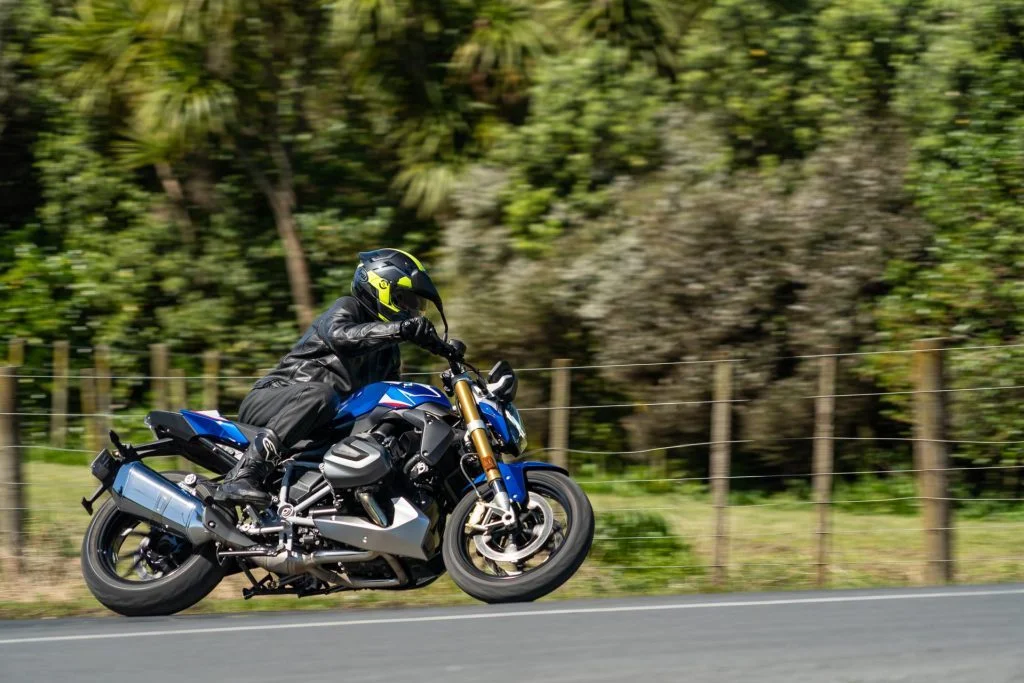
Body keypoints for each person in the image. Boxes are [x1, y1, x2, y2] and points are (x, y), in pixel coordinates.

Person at [215, 248, 448, 505]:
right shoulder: (349, 307)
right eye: (406, 300)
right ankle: (244, 474)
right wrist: (400, 328)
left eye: (416, 305)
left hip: (319, 423)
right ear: (381, 286)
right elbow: (342, 336)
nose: (411, 311)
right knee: (322, 394)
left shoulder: (389, 354)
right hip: (277, 398)